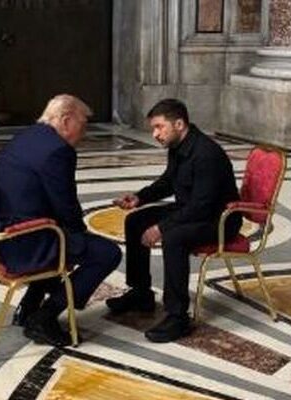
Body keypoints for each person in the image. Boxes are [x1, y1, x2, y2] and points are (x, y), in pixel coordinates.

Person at [0, 94, 121, 346]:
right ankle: (44, 317)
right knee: (106, 253)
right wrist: (80, 236)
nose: (84, 133)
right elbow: (65, 205)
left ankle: (28, 306)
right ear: (66, 120)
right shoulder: (58, 150)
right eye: (83, 124)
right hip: (24, 243)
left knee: (64, 238)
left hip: (0, 236)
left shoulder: (27, 136)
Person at [106, 98, 242, 343]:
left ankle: (178, 316)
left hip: (219, 220)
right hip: (192, 210)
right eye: (153, 129)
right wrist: (140, 197)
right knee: (135, 221)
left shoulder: (206, 154)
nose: (155, 134)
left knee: (174, 237)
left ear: (179, 124)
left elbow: (202, 206)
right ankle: (141, 293)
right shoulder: (178, 145)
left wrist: (161, 227)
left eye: (159, 127)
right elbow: (169, 181)